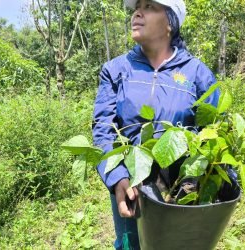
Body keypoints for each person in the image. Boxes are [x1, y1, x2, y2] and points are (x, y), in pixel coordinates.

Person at [92, 0, 220, 249]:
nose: (137, 13)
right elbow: (103, 129)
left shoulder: (197, 74)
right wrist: (118, 178)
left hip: (182, 191)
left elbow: (212, 132)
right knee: (131, 244)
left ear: (170, 22)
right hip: (132, 187)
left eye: (149, 6)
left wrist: (195, 178)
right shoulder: (116, 70)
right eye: (136, 6)